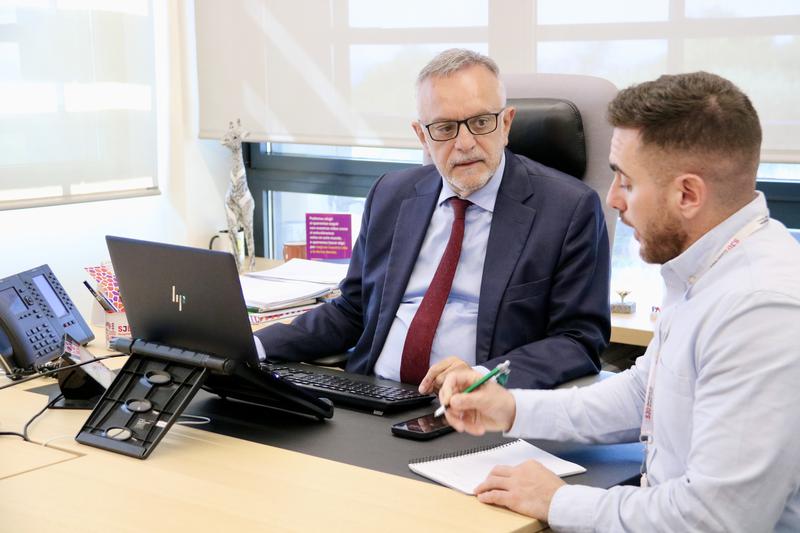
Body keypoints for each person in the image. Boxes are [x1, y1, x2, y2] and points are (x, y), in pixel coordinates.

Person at [438, 71, 800, 531]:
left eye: (626, 182)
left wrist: (558, 502)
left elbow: (715, 521)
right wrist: (509, 408)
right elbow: (642, 395)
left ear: (687, 194)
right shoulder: (707, 267)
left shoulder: (759, 310)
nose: (611, 200)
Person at [256, 48, 610, 391]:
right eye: (444, 128)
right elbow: (352, 310)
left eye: (481, 122)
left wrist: (484, 377)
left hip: (476, 413)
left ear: (506, 124)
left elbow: (578, 341)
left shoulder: (568, 209)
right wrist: (253, 345)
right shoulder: (391, 195)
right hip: (372, 396)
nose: (465, 143)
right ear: (421, 135)